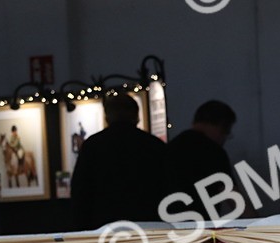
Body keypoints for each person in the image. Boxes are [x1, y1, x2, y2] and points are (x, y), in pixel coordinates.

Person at [70, 93, 169, 229]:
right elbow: (166, 187)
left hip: (103, 225)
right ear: (136, 116)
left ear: (107, 117)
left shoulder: (92, 145)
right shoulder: (154, 145)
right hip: (148, 223)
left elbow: (81, 191)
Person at [165, 100, 237, 216]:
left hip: (169, 220)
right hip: (202, 221)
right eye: (226, 132)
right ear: (221, 126)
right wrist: (256, 222)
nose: (225, 138)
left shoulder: (171, 147)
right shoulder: (213, 151)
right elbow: (233, 197)